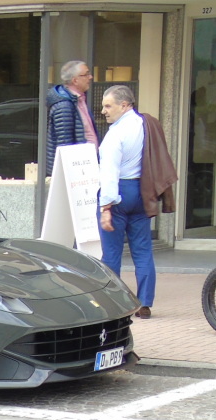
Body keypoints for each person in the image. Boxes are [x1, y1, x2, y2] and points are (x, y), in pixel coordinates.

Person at [97, 85, 153, 319]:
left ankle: (114, 304)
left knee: (111, 252)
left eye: (108, 106)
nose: (103, 111)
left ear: (124, 105)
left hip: (119, 190)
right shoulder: (145, 125)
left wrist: (105, 207)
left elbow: (109, 172)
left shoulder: (115, 134)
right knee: (143, 250)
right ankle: (146, 303)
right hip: (142, 190)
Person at [45, 60, 96, 175]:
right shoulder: (64, 105)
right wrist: (73, 175)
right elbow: (64, 144)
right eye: (86, 74)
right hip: (75, 172)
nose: (90, 77)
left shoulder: (78, 99)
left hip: (83, 166)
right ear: (75, 80)